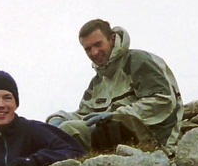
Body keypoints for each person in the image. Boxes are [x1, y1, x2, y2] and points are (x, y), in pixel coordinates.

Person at [48, 19, 184, 152]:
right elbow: (85, 114)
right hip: (114, 136)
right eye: (88, 49)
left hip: (155, 139)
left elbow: (163, 100)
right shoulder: (98, 82)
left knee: (70, 130)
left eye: (98, 44)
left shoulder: (137, 61)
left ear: (112, 39)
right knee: (53, 131)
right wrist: (59, 118)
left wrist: (116, 116)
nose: (94, 52)